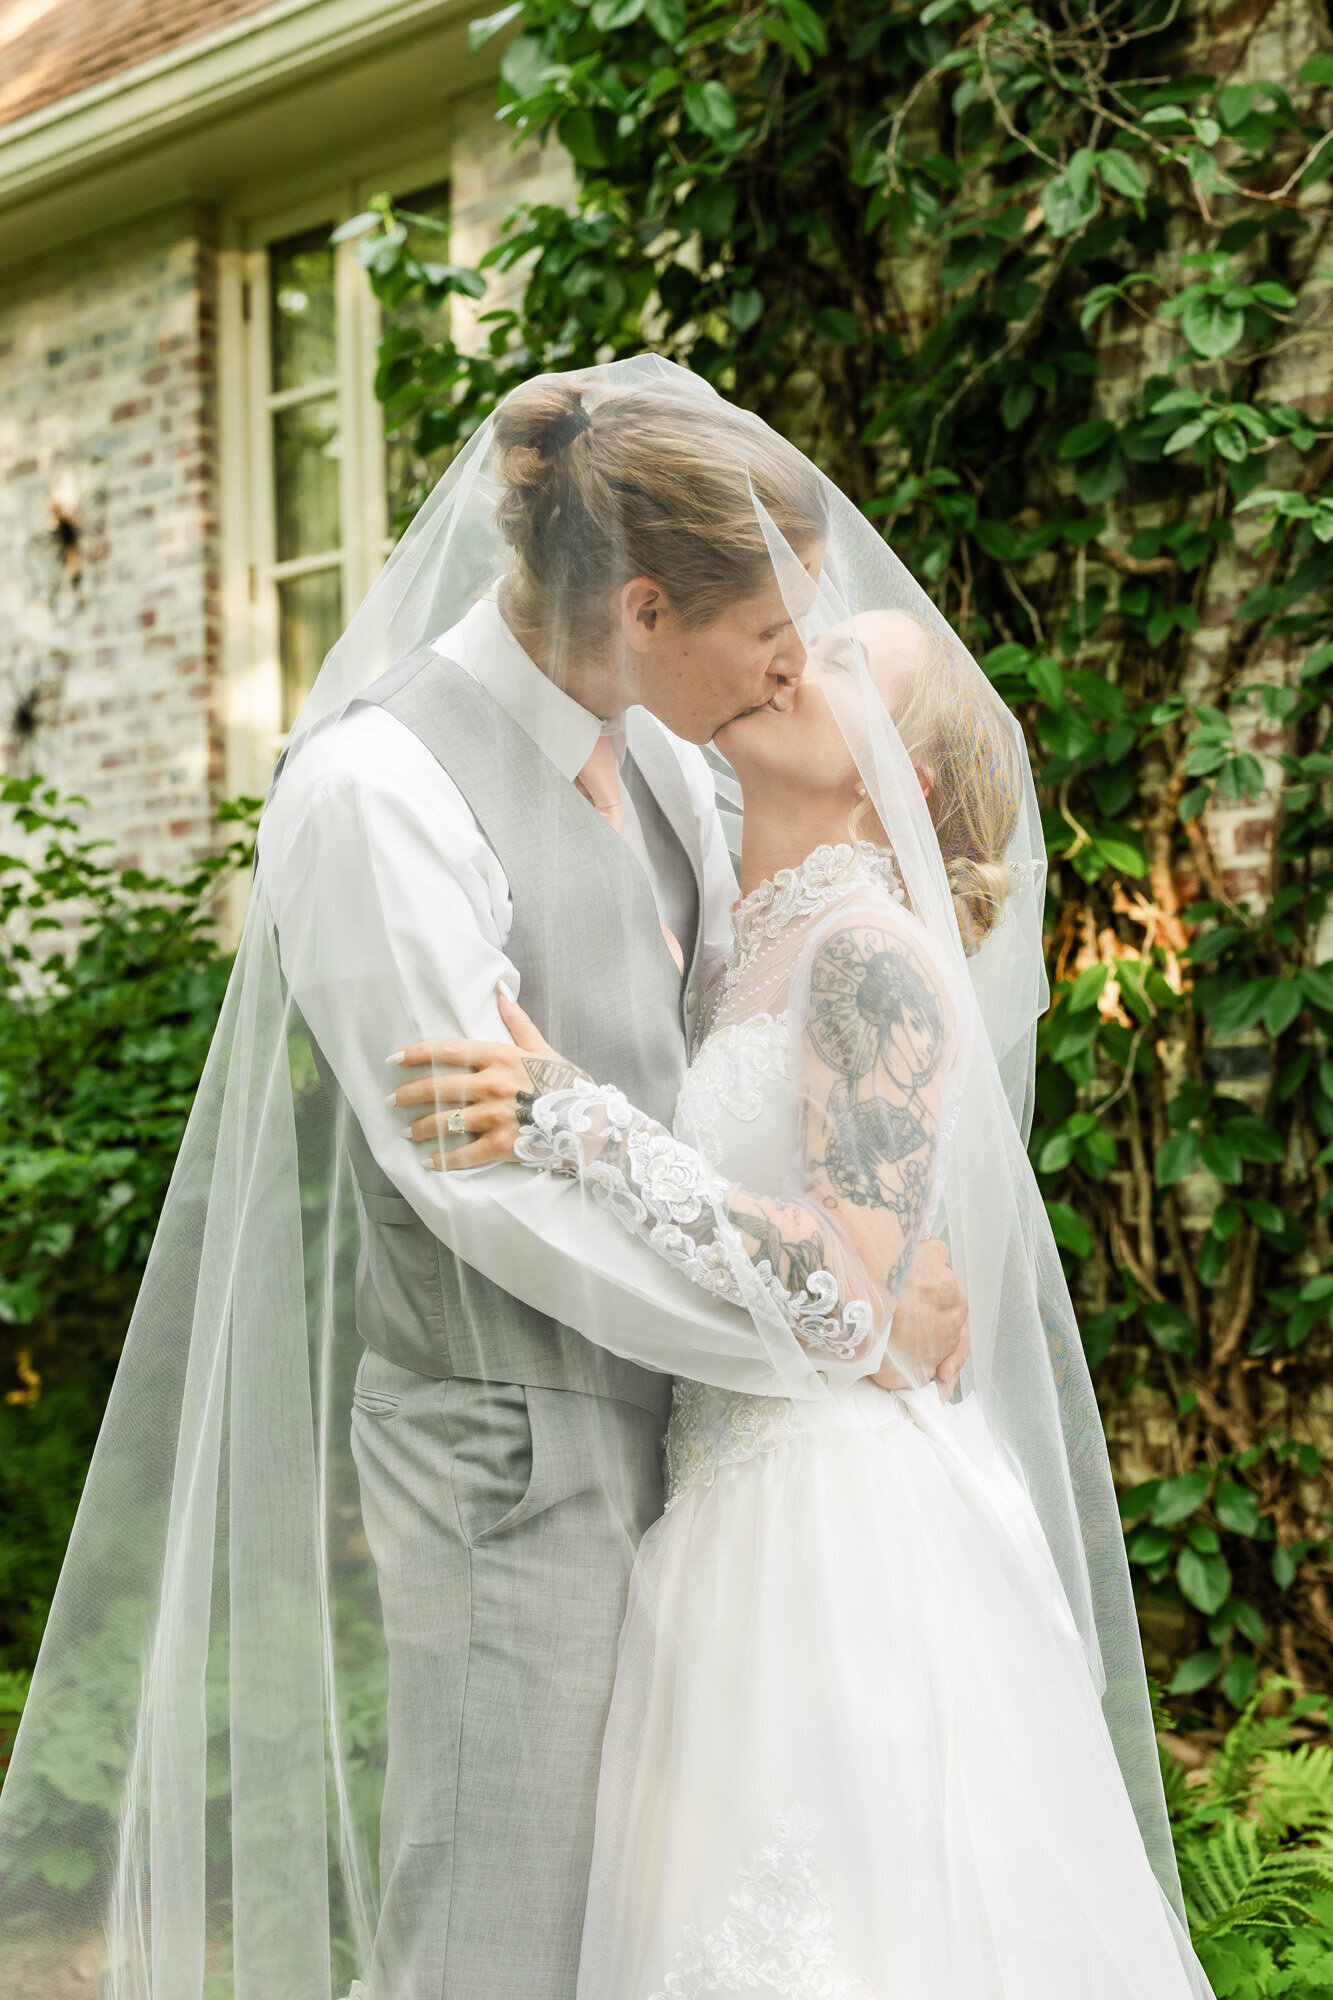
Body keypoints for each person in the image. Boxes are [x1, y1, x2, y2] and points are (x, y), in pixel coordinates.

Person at [0, 359, 966, 2000]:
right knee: (495, 1936)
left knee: (654, 1933)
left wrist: (875, 1248)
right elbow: (490, 1188)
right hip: (509, 1455)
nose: (798, 664)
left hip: (703, 1452)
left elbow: (744, 1072)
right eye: (773, 633)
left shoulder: (665, 758)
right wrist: (828, 1325)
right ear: (648, 605)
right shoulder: (376, 796)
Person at [399, 604, 1215, 1998]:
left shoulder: (867, 956)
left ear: (894, 775)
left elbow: (844, 1289)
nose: (793, 656)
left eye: (843, 666)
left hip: (835, 1532)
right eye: (806, 637)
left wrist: (578, 1122)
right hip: (720, 1506)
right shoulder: (733, 957)